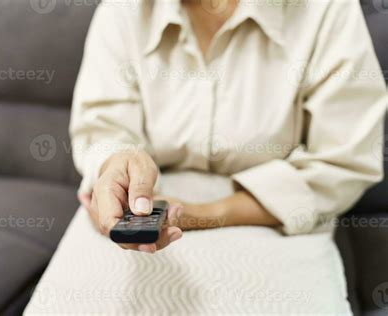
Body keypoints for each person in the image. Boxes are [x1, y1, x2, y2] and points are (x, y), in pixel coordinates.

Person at [68, 0, 386, 311]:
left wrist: (201, 214)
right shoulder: (122, 11)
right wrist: (115, 165)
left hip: (273, 221)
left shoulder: (327, 10)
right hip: (146, 214)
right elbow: (103, 130)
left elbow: (343, 161)